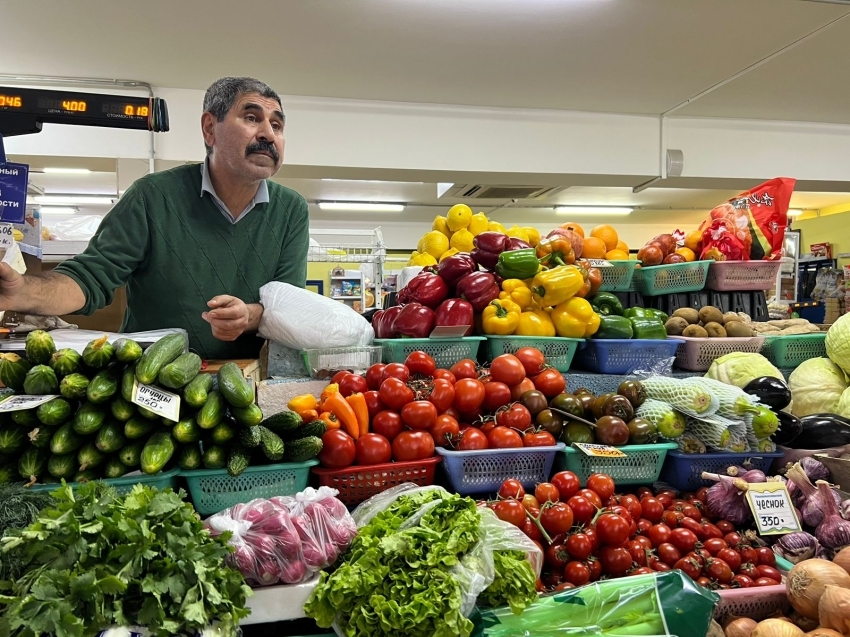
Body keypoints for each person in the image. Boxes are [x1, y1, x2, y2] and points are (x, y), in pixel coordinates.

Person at [0, 77, 309, 359]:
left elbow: (287, 305)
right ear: (210, 129)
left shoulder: (291, 210)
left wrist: (250, 316)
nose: (268, 134)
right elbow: (92, 277)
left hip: (247, 381)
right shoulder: (153, 196)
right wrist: (23, 291)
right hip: (149, 380)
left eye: (278, 126)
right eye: (252, 118)